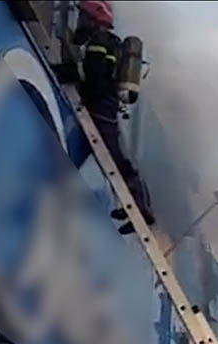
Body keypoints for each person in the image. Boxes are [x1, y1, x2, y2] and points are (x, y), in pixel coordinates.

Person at [72, 0, 156, 234]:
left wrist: (70, 74)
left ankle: (141, 207)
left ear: (94, 19)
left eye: (84, 17)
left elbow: (95, 76)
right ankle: (139, 207)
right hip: (107, 105)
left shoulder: (99, 43)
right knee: (118, 156)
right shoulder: (111, 43)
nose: (81, 22)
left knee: (117, 159)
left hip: (100, 105)